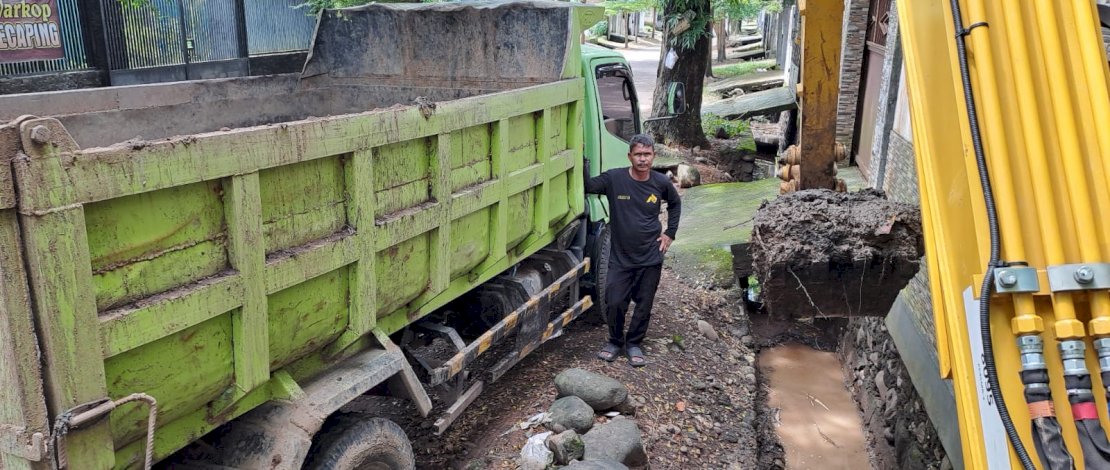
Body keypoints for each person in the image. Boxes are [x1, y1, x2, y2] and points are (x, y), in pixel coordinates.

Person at [586, 134, 681, 367]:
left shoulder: (661, 183)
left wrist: (670, 233)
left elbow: (676, 204)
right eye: (638, 154)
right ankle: (615, 341)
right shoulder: (614, 179)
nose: (642, 159)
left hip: (650, 255)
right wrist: (582, 162)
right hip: (621, 258)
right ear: (630, 156)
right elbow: (588, 187)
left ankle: (634, 343)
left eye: (647, 155)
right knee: (615, 300)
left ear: (653, 156)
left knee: (644, 303)